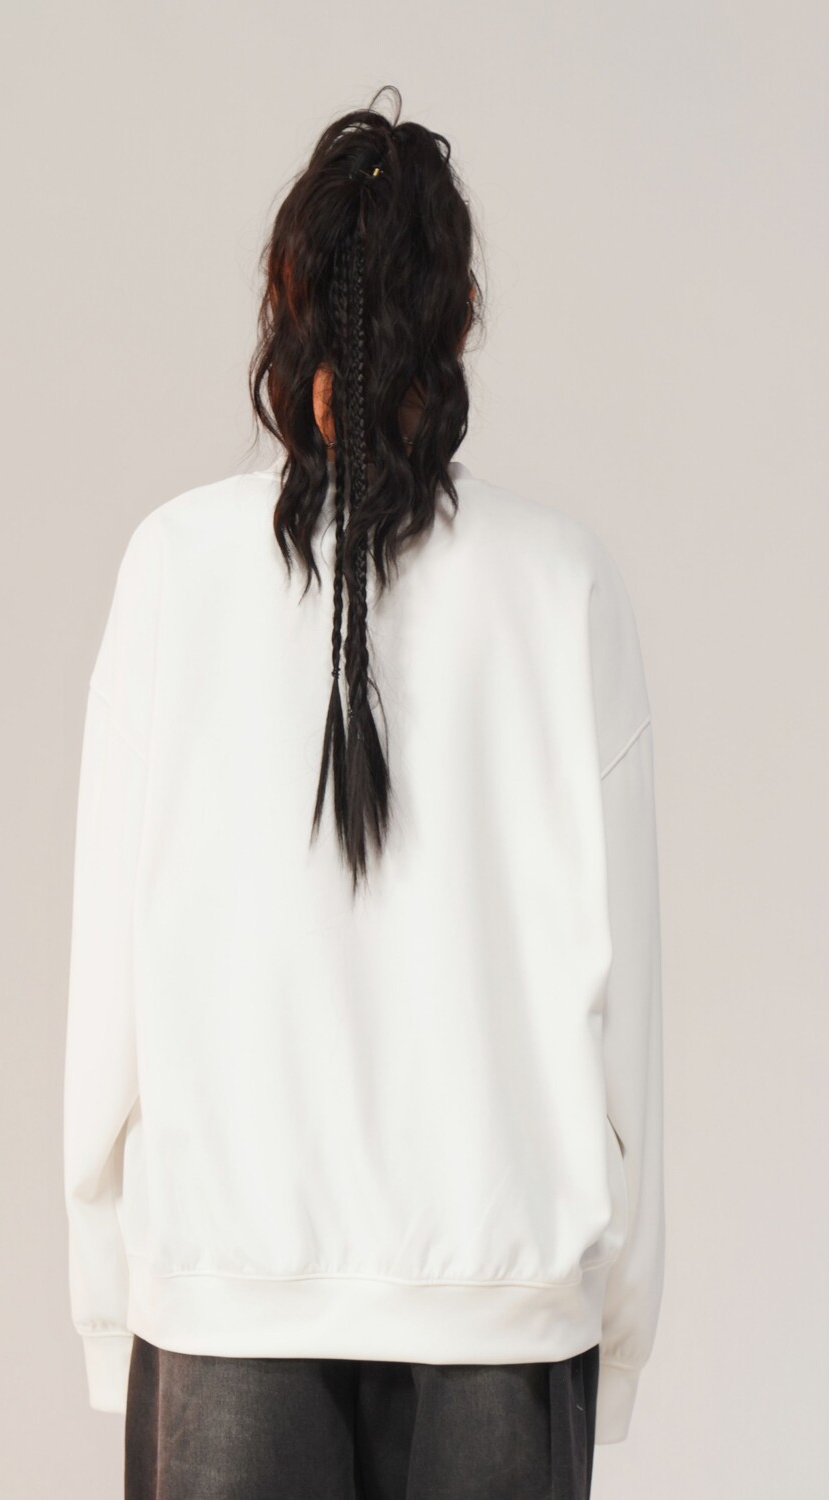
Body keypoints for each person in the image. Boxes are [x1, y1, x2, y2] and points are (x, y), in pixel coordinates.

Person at [62, 86, 665, 1500]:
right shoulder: (562, 587)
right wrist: (619, 1327)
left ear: (287, 310)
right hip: (502, 1310)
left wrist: (112, 1300)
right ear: (458, 323)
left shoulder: (173, 570)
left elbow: (108, 998)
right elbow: (629, 1017)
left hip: (226, 1291)